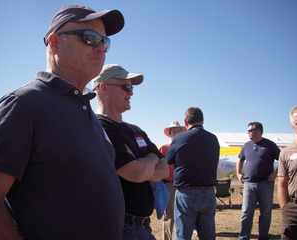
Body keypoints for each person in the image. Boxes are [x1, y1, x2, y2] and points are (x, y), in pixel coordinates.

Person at [0, 5, 125, 240]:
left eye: (105, 42)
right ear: (55, 42)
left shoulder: (84, 108)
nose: (100, 47)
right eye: (90, 38)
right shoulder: (23, 105)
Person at [92, 64, 169, 240]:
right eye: (126, 87)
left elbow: (164, 169)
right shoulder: (100, 128)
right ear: (103, 88)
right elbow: (136, 173)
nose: (131, 92)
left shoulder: (136, 130)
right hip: (121, 228)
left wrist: (142, 163)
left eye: (131, 87)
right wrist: (151, 159)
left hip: (143, 228)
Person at [166, 107, 220, 240]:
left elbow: (169, 162)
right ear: (202, 120)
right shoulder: (213, 139)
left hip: (186, 192)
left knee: (183, 235)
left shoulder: (179, 138)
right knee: (208, 236)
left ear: (185, 121)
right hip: (208, 192)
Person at [236, 122, 281, 240]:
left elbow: (282, 159)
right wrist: (238, 173)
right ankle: (243, 237)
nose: (248, 133)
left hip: (266, 183)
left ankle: (263, 237)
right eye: (248, 131)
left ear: (259, 131)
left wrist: (275, 173)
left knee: (265, 213)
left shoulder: (270, 145)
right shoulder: (246, 146)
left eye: (250, 130)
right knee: (246, 213)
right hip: (249, 184)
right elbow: (239, 160)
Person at [158, 121, 186, 240]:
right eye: (173, 131)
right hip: (168, 184)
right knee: (169, 216)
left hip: (183, 185)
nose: (175, 132)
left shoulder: (184, 147)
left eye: (178, 130)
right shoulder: (163, 148)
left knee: (183, 215)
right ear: (170, 134)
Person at [278, 105, 297, 240]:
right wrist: (285, 209)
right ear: (293, 127)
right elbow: (282, 184)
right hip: (295, 210)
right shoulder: (286, 152)